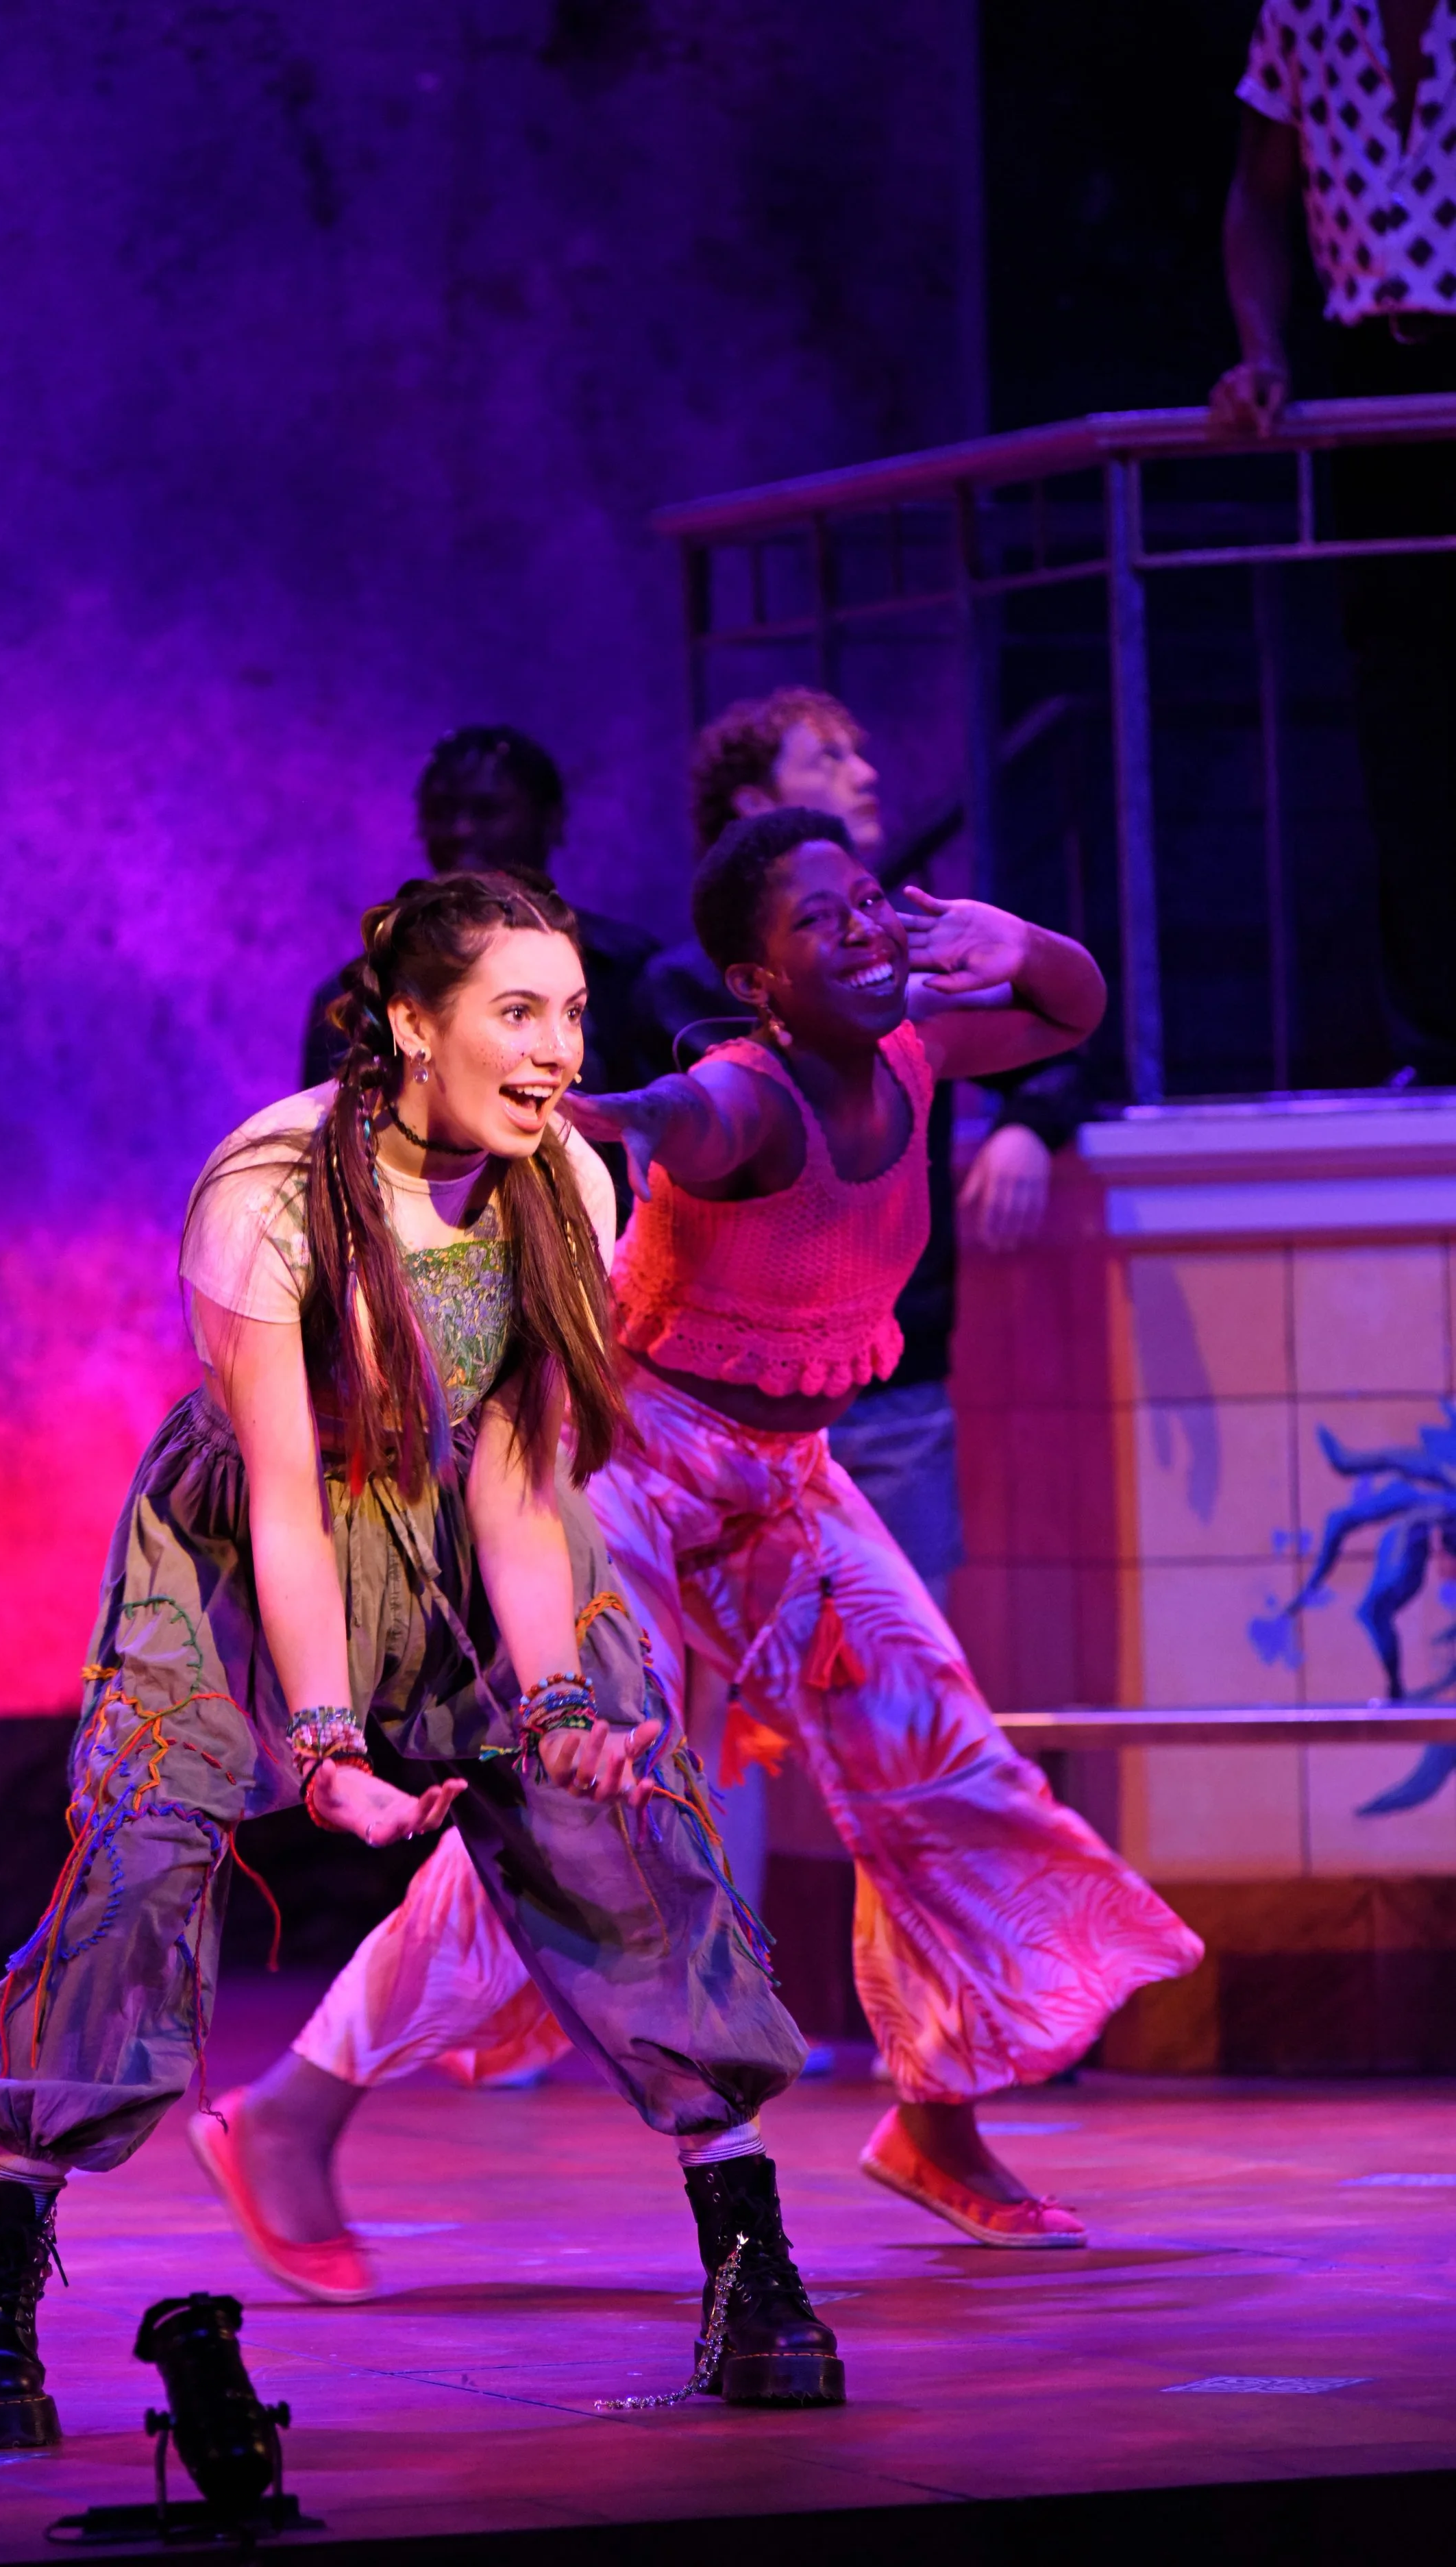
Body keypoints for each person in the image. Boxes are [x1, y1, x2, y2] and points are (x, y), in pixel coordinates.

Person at [0, 870, 840, 2451]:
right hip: (244, 1549)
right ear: (414, 1025)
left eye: (571, 1011)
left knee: (631, 1838)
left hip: (470, 1536)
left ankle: (752, 2259)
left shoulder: (567, 1177)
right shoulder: (271, 1190)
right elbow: (289, 1495)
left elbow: (518, 1474)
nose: (560, 1046)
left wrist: (557, 1703)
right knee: (136, 1871)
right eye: (516, 1012)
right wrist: (329, 1745)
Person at [223, 816, 1200, 2275]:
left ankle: (933, 2115)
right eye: (824, 922)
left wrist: (1024, 945)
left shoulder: (917, 1047)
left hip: (778, 1478)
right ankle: (289, 2111)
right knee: (574, 1815)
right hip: (615, 1469)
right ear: (756, 978)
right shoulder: (739, 1098)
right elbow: (649, 1115)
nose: (865, 931)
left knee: (935, 1756)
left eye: (868, 902)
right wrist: (538, 1105)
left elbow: (1065, 1009)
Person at [661, 686, 1085, 1615]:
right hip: (731, 1401)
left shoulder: (897, 972)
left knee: (900, 1673)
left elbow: (1063, 1032)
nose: (868, 774)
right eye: (829, 759)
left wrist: (1027, 1121)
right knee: (733, 1695)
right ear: (751, 800)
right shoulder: (678, 992)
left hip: (891, 1381)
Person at [1212, 0, 1456, 1083]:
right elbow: (1260, 198)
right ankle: (1439, 1032)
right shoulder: (1307, 14)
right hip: (1378, 380)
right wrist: (1264, 350)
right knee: (1407, 712)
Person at [302, 726, 659, 1212]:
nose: (463, 830)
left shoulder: (629, 969)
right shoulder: (360, 988)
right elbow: (329, 1142)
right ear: (409, 1021)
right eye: (443, 813)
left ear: (551, 820)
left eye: (488, 810)